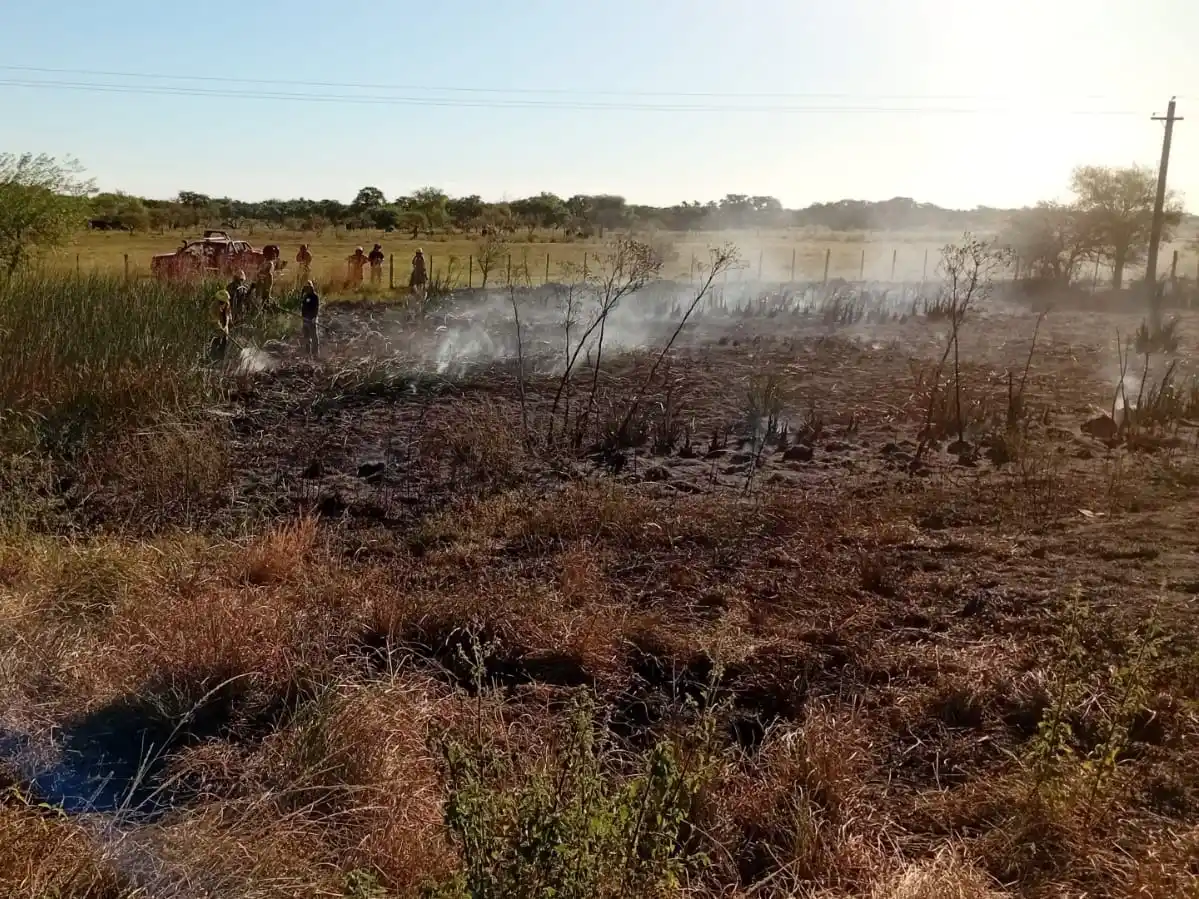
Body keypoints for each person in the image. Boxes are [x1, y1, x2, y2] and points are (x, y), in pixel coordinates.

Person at [210, 287, 232, 360]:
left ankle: (221, 359)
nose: (222, 303)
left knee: (224, 344)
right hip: (216, 329)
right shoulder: (213, 306)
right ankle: (213, 359)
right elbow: (213, 318)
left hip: (225, 328)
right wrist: (219, 326)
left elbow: (229, 314)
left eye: (224, 302)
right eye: (221, 301)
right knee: (216, 343)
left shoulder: (227, 305)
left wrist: (229, 322)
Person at [300, 280, 320, 359]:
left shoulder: (315, 296)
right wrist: (303, 318)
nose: (307, 289)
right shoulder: (305, 297)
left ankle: (315, 353)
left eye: (308, 287)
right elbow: (303, 308)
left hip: (312, 319)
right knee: (306, 337)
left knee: (314, 336)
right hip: (305, 319)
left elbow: (316, 308)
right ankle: (307, 353)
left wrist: (314, 317)